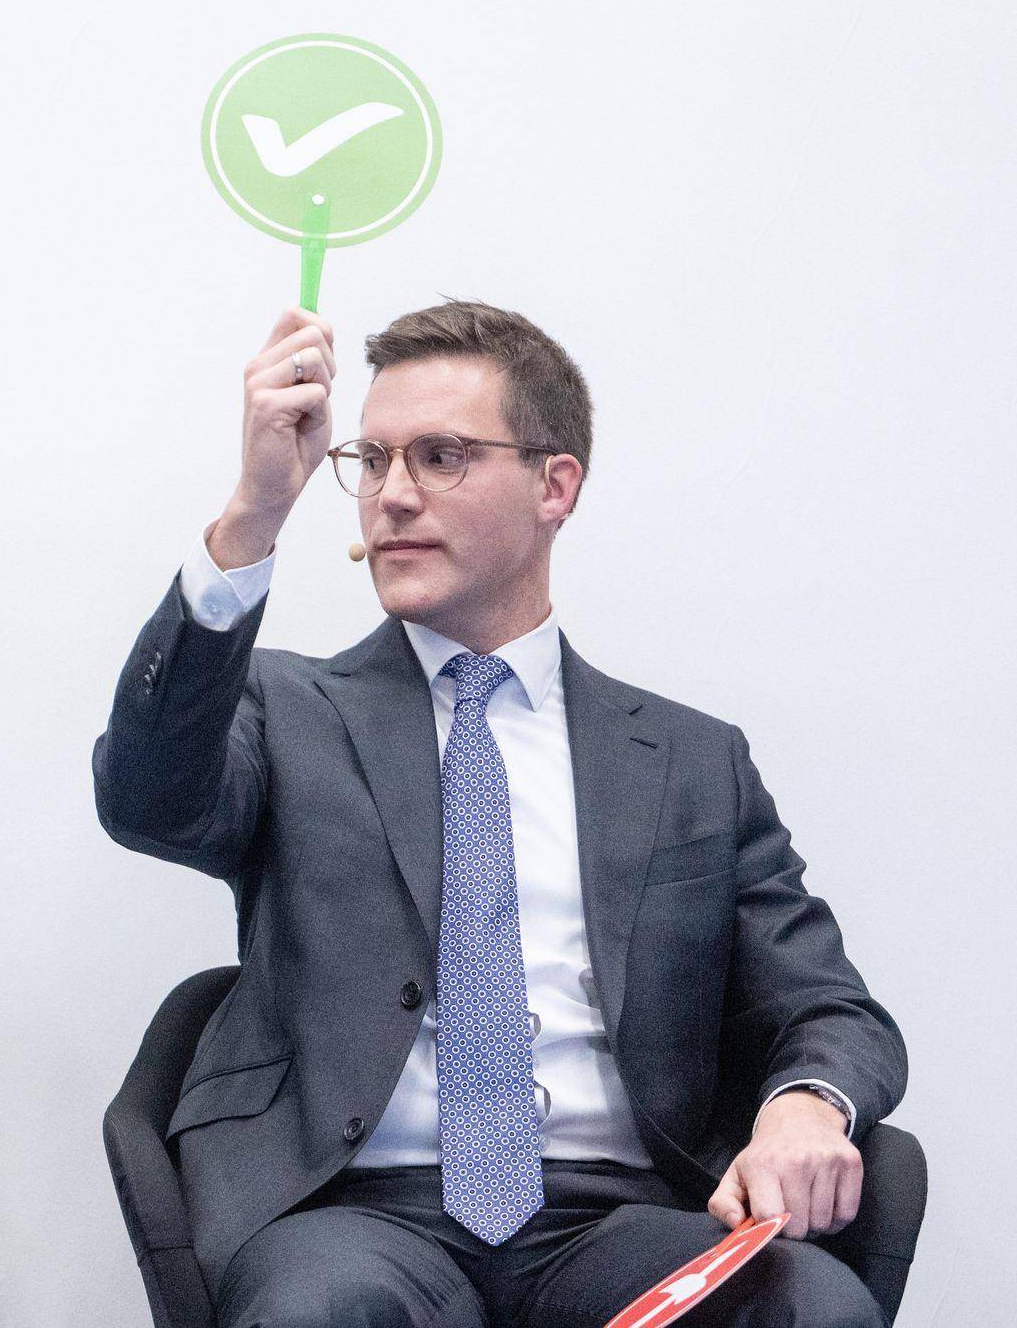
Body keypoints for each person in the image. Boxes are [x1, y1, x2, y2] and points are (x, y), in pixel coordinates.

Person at [93, 300, 904, 1326]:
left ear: (554, 486)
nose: (391, 495)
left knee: (812, 1310)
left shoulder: (691, 761)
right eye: (371, 460)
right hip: (351, 1214)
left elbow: (826, 1005)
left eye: (439, 457)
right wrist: (252, 516)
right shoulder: (280, 709)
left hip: (620, 1217)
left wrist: (804, 1105)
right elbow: (147, 801)